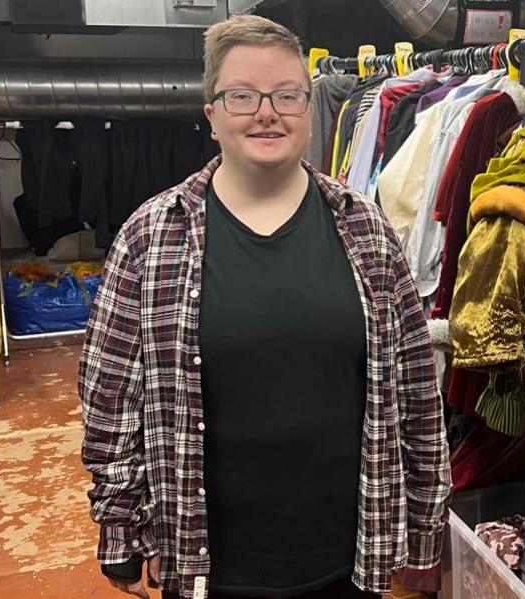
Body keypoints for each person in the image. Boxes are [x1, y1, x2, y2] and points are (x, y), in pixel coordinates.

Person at [79, 15, 451, 599]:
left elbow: (414, 396)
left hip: (349, 558)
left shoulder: (367, 232)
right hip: (205, 562)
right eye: (242, 95)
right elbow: (110, 400)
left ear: (309, 110)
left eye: (287, 95)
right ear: (211, 116)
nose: (267, 112)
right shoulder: (150, 238)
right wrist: (122, 531)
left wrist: (424, 529)